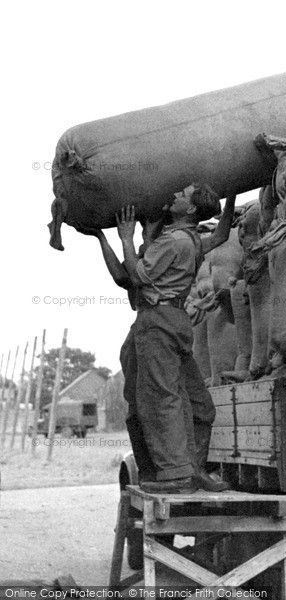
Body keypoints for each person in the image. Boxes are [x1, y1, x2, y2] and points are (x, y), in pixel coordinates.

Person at [77, 183, 236, 493]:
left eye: (183, 195)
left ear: (189, 210)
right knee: (179, 403)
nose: (175, 194)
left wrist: (124, 238)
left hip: (162, 324)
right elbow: (220, 234)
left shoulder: (175, 242)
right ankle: (181, 471)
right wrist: (231, 190)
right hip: (165, 323)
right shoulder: (184, 241)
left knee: (164, 400)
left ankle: (181, 474)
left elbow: (134, 276)